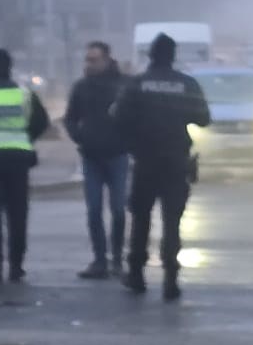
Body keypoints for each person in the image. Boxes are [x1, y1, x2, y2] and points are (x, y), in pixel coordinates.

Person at [111, 31, 210, 300]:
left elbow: (118, 118)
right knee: (172, 221)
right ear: (173, 56)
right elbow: (203, 118)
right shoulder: (186, 84)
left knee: (141, 219)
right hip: (177, 160)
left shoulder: (136, 84)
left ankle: (137, 274)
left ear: (150, 55)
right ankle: (170, 278)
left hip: (145, 160)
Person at [0, 47, 50, 286]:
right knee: (17, 213)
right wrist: (25, 137)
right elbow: (41, 122)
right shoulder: (25, 94)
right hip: (18, 157)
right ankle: (16, 265)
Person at [65, 41, 127, 279]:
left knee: (119, 210)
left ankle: (118, 259)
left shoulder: (122, 85)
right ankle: (99, 259)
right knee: (94, 210)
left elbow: (135, 115)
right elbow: (70, 118)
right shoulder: (81, 87)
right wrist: (79, 136)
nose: (89, 64)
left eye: (93, 60)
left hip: (117, 155)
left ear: (106, 60)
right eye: (87, 60)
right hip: (91, 156)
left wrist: (128, 140)